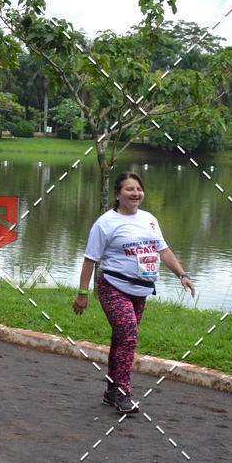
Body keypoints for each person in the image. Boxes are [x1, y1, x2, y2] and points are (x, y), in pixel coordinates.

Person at [73, 172, 195, 416]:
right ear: (118, 194)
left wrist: (182, 274)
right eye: (130, 189)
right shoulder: (105, 223)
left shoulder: (149, 219)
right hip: (113, 287)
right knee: (129, 335)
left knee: (121, 340)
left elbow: (163, 250)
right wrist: (82, 293)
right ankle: (123, 394)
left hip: (141, 291)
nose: (136, 193)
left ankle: (110, 391)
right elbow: (90, 260)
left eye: (139, 189)